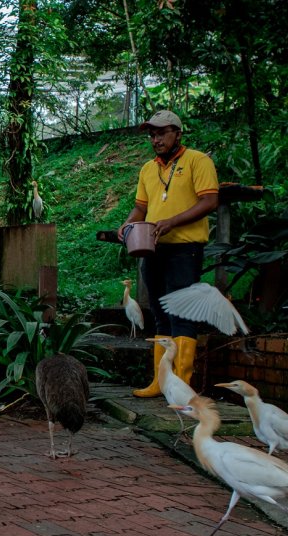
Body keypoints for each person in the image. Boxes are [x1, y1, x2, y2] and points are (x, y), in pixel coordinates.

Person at [116, 110, 218, 397]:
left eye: (161, 133)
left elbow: (210, 201)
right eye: (152, 134)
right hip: (153, 247)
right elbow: (141, 208)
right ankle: (160, 382)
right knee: (160, 314)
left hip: (185, 248)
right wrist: (126, 225)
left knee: (182, 314)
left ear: (177, 133)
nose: (156, 139)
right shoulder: (148, 169)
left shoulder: (198, 161)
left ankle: (182, 386)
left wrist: (172, 221)